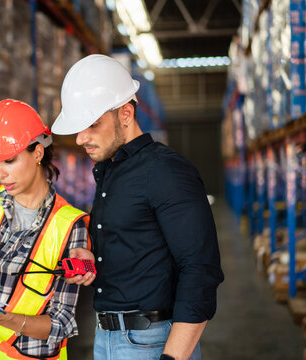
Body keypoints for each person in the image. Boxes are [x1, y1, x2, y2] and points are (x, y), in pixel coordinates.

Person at [51, 54, 224, 360]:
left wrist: (172, 357)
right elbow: (139, 245)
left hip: (150, 342)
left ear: (126, 114)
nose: (80, 139)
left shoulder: (166, 171)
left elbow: (200, 269)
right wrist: (95, 259)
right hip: (105, 337)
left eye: (92, 124)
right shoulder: (110, 170)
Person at [0, 99, 90, 360]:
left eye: (9, 161)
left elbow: (60, 324)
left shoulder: (69, 225)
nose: (0, 173)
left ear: (37, 152)